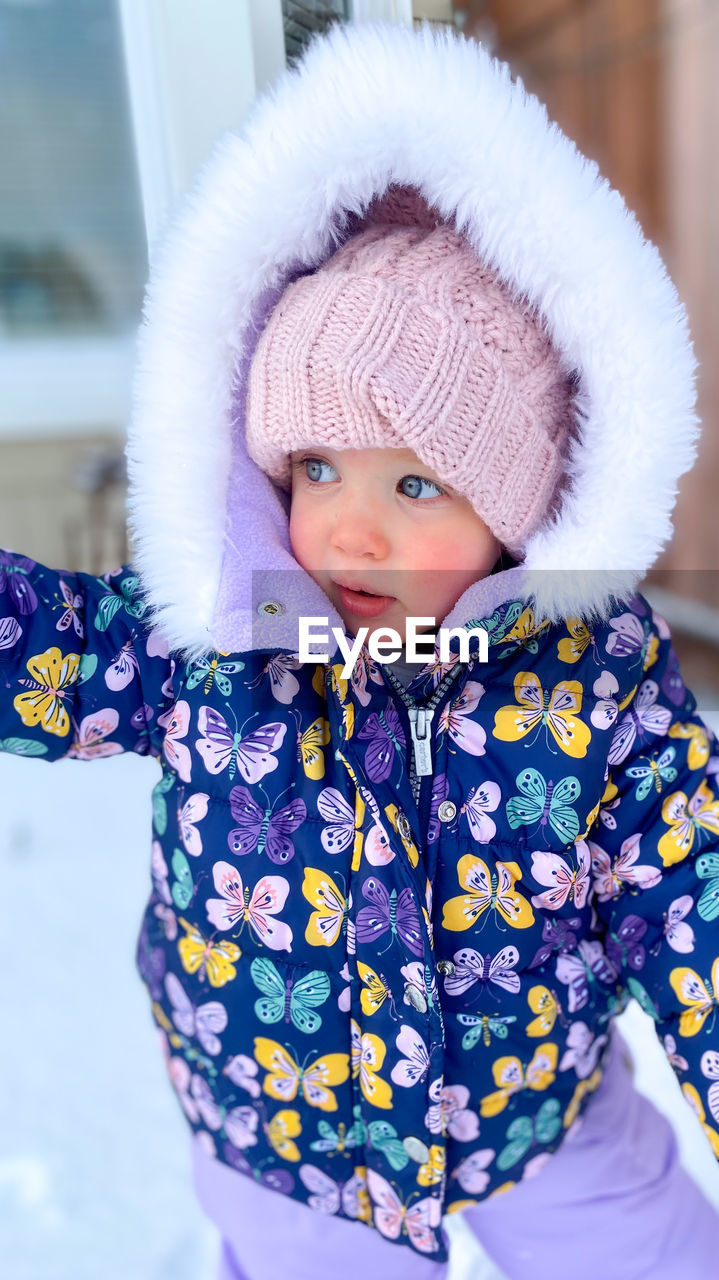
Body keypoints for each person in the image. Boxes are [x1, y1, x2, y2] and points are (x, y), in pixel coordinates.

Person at [2, 19, 719, 1280]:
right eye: (316, 465)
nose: (345, 520)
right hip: (286, 1134)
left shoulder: (595, 691)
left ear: (512, 516)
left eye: (416, 483)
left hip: (534, 1111)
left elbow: (690, 891)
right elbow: (47, 650)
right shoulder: (219, 640)